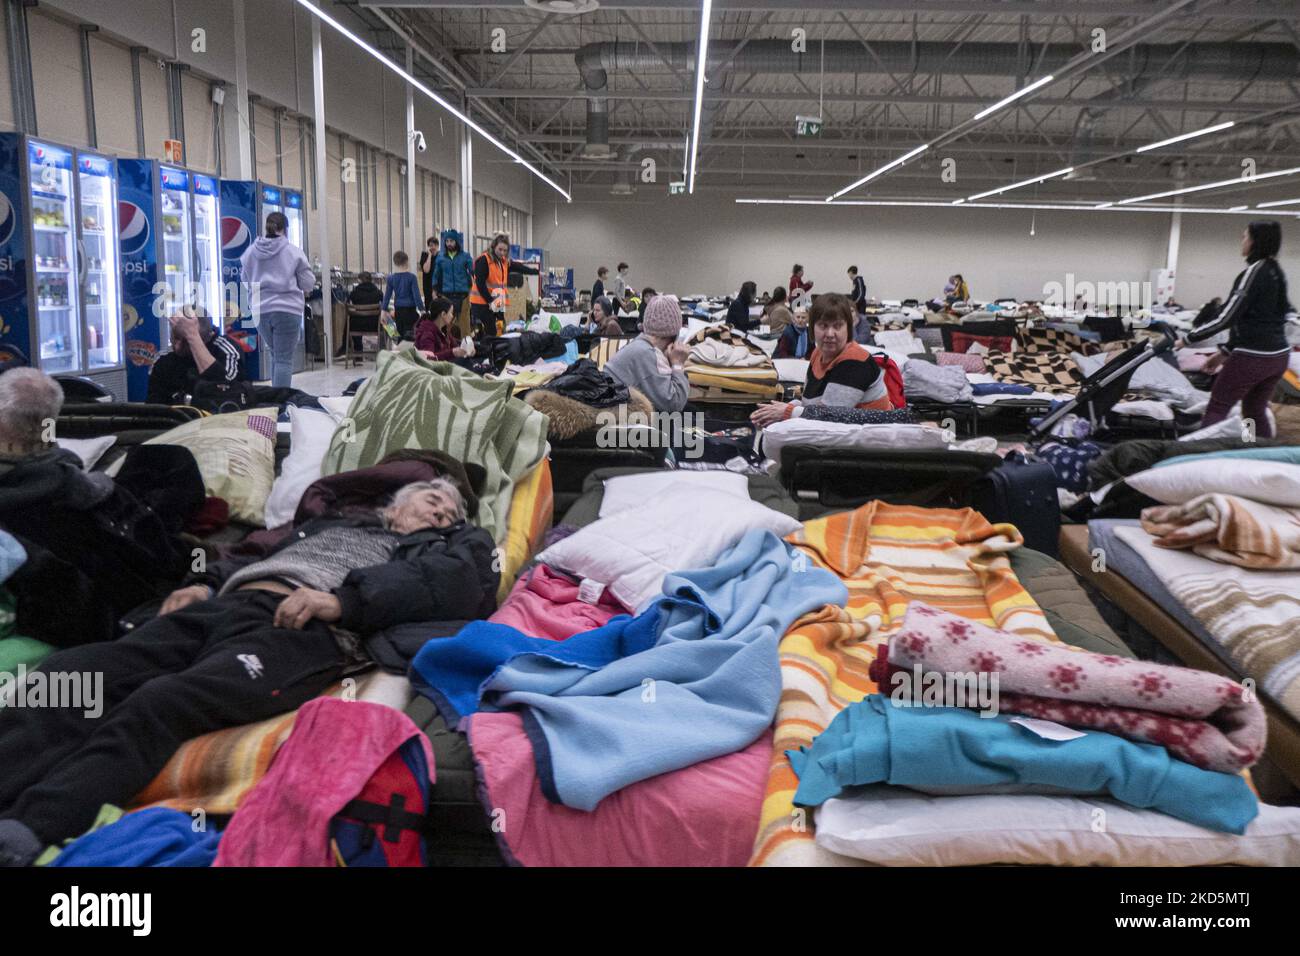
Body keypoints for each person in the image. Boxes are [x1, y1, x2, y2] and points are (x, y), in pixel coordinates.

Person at [0, 477, 499, 864]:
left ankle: (30, 829)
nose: (440, 511)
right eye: (432, 499)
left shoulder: (455, 546)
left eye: (449, 511)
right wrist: (201, 582)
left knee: (166, 699)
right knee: (70, 674)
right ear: (396, 504)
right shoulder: (331, 524)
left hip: (300, 630)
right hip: (222, 606)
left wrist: (342, 602)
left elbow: (452, 584)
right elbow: (247, 552)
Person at [1180, 221, 1292, 438]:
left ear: (1254, 241)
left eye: (1244, 237)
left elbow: (1227, 317)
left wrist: (1186, 339)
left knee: (1217, 407)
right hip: (1277, 357)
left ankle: (1201, 458)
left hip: (1253, 358)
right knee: (1253, 410)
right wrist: (1224, 352)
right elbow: (1257, 320)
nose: (1242, 242)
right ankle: (1252, 449)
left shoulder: (1253, 272)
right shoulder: (1276, 272)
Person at [751, 293, 889, 426]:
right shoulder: (818, 353)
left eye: (837, 326)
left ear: (848, 329)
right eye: (823, 325)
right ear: (812, 327)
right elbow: (810, 405)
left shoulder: (855, 360)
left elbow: (828, 416)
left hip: (864, 440)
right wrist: (783, 408)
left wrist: (787, 411)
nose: (830, 334)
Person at [239, 211, 314, 389]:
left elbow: (245, 280)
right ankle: (280, 404)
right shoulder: (293, 252)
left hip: (260, 310)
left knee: (275, 355)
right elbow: (308, 283)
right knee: (284, 359)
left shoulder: (250, 252)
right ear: (285, 229)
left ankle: (273, 400)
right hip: (287, 309)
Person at [603, 294, 690, 413]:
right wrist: (678, 364)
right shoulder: (647, 353)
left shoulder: (640, 345)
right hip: (617, 422)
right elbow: (674, 404)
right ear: (674, 335)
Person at [146, 307, 243, 405]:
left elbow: (228, 393)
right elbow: (154, 406)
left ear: (206, 339)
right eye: (175, 337)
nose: (177, 346)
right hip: (176, 418)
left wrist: (192, 335)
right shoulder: (164, 359)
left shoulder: (226, 350)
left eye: (186, 341)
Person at [469, 233, 540, 337]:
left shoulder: (503, 262)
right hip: (482, 302)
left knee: (500, 328)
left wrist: (535, 271)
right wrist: (490, 302)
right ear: (493, 247)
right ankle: (487, 351)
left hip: (497, 301)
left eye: (505, 250)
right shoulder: (484, 260)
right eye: (500, 249)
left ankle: (496, 350)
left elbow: (518, 267)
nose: (502, 253)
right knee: (490, 332)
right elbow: (480, 284)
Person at [431, 230, 472, 328]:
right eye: (447, 241)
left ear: (457, 242)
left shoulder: (465, 256)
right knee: (447, 324)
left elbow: (472, 271)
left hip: (463, 295)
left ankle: (466, 342)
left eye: (451, 241)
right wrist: (434, 290)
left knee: (465, 325)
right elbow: (435, 275)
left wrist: (472, 285)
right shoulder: (441, 257)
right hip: (447, 295)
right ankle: (447, 342)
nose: (449, 243)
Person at [382, 250, 423, 341]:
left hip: (398, 310)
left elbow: (387, 296)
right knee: (410, 335)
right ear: (407, 262)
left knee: (398, 334)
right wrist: (422, 309)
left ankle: (399, 349)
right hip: (410, 310)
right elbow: (417, 296)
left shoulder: (391, 278)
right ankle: (408, 351)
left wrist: (383, 310)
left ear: (395, 263)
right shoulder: (412, 277)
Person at [417, 235, 439, 312]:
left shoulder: (441, 256)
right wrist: (429, 256)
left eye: (434, 245)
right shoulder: (424, 255)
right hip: (428, 287)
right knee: (429, 308)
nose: (432, 248)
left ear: (437, 246)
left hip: (438, 287)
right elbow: (426, 270)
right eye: (430, 246)